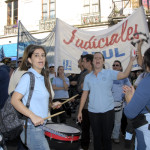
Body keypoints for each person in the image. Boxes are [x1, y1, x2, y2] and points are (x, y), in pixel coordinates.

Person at [77, 52, 136, 150]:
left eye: (100, 58)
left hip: (108, 112)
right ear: (92, 61)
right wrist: (80, 111)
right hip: (93, 112)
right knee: (97, 138)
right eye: (95, 58)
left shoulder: (109, 73)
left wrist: (131, 61)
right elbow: (84, 94)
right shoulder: (88, 77)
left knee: (107, 138)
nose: (97, 60)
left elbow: (125, 74)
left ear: (103, 61)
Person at [11, 45, 60, 150]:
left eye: (43, 55)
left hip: (42, 126)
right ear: (29, 60)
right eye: (36, 55)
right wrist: (32, 116)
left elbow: (35, 100)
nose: (41, 58)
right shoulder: (28, 77)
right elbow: (14, 100)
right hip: (31, 127)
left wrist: (51, 104)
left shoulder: (42, 78)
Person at [123, 48, 150, 150]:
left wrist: (129, 98)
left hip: (146, 131)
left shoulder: (147, 80)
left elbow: (131, 112)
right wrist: (135, 96)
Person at [111, 60, 131, 144]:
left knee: (117, 121)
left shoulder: (124, 77)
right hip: (108, 103)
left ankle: (115, 136)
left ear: (120, 67)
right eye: (114, 65)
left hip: (119, 103)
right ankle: (107, 136)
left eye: (117, 65)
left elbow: (129, 88)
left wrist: (124, 96)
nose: (115, 66)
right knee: (108, 121)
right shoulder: (109, 76)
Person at [79, 54, 93, 150]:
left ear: (89, 62)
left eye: (83, 61)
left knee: (98, 130)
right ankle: (85, 147)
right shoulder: (83, 74)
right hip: (85, 107)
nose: (82, 63)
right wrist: (82, 86)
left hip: (97, 107)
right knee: (85, 129)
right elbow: (79, 90)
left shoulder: (99, 73)